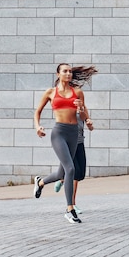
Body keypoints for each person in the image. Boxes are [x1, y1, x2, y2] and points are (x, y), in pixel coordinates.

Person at [33, 63, 97, 224]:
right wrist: (37, 126)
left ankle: (40, 182)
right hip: (59, 133)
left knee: (61, 174)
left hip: (73, 133)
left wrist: (82, 111)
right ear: (58, 74)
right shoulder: (50, 92)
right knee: (70, 168)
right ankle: (70, 209)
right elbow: (37, 111)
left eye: (70, 71)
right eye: (65, 71)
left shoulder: (78, 92)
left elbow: (83, 116)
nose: (68, 74)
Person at [54, 107, 94, 214]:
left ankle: (62, 179)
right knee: (75, 173)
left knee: (81, 174)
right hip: (69, 144)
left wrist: (89, 123)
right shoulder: (66, 107)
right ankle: (72, 204)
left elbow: (89, 125)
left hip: (80, 142)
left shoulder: (83, 109)